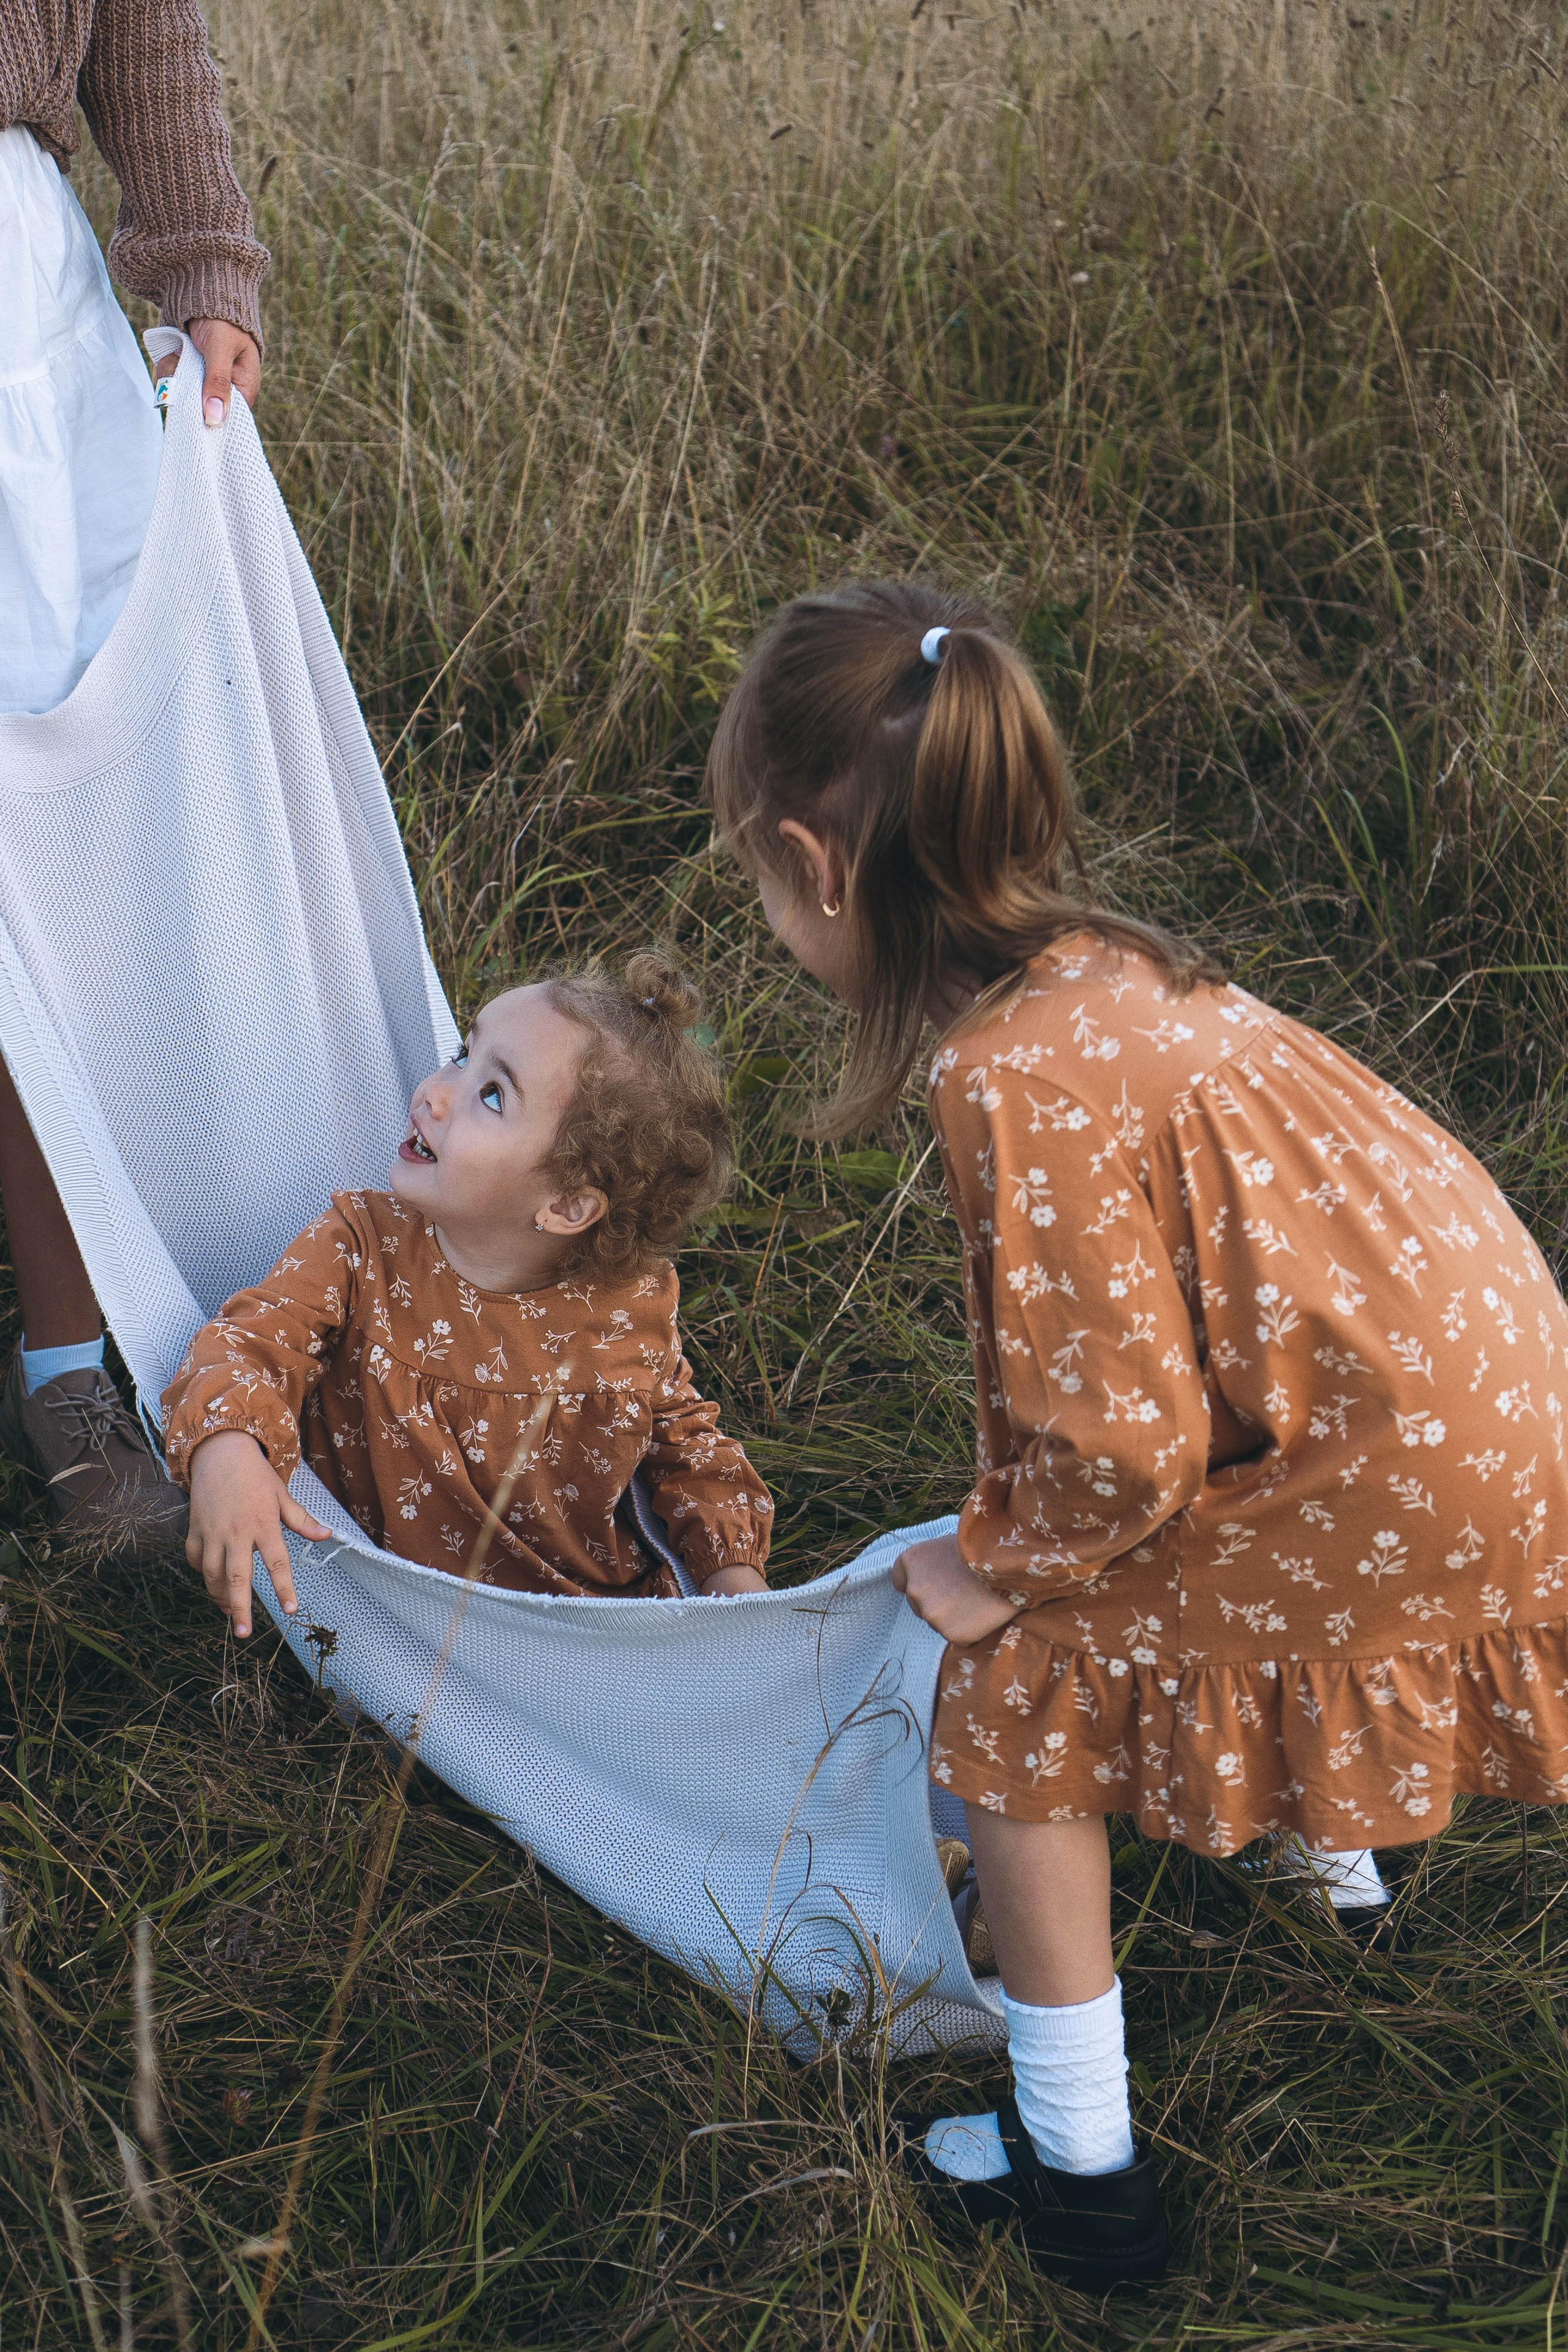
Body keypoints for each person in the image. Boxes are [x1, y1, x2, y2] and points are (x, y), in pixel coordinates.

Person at [704, 578, 1568, 2284]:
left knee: (1017, 1695)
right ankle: (1339, 1891)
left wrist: (993, 1565)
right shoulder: (1123, 970)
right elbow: (1225, 1366)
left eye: (755, 878)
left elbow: (1120, 1445)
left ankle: (1075, 2171)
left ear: (812, 864)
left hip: (1394, 1465)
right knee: (1262, 1519)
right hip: (1499, 1400)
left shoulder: (1003, 1079)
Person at [1, 1, 268, 1554]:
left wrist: (200, 260)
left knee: (57, 868)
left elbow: (147, 38)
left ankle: (61, 1362)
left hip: (28, 365)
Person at [162, 955, 773, 1627]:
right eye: (462, 1053)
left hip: (580, 1627)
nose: (433, 1092)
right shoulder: (362, 1248)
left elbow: (686, 1446)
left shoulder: (623, 1312)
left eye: (491, 1095)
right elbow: (245, 1344)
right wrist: (228, 1451)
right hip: (376, 1613)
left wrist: (732, 1572)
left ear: (568, 1207)